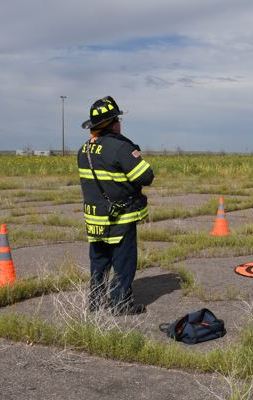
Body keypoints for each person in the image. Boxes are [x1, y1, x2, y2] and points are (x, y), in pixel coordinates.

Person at [78, 96, 154, 315]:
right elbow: (146, 176)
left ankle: (96, 302)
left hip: (95, 220)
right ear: (113, 123)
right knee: (124, 262)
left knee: (99, 262)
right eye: (118, 119)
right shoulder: (119, 148)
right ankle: (121, 304)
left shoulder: (84, 150)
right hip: (119, 218)